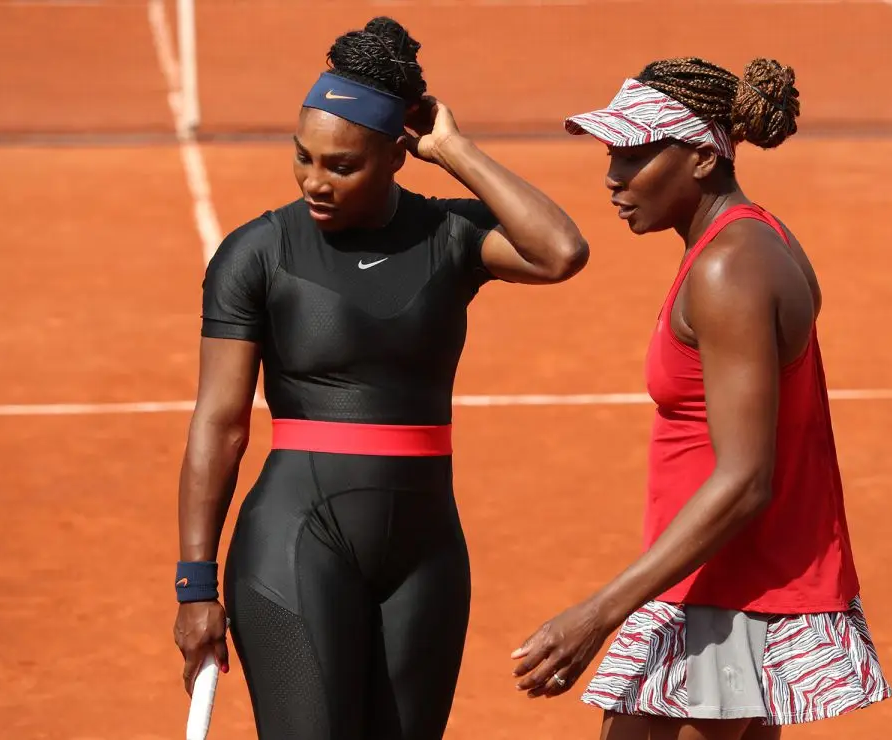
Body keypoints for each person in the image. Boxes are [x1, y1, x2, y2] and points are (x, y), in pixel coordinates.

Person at [170, 16, 589, 740]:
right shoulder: (256, 255)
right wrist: (195, 586)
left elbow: (560, 251)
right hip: (296, 541)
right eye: (302, 157)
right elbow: (220, 423)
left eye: (341, 165)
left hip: (426, 553)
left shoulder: (450, 238)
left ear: (399, 154)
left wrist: (454, 149)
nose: (314, 181)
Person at [509, 57, 892, 739]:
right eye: (611, 155)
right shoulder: (753, 239)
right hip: (721, 588)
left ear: (697, 157)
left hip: (719, 599)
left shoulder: (729, 269)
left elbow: (746, 480)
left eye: (633, 156)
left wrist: (597, 615)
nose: (612, 178)